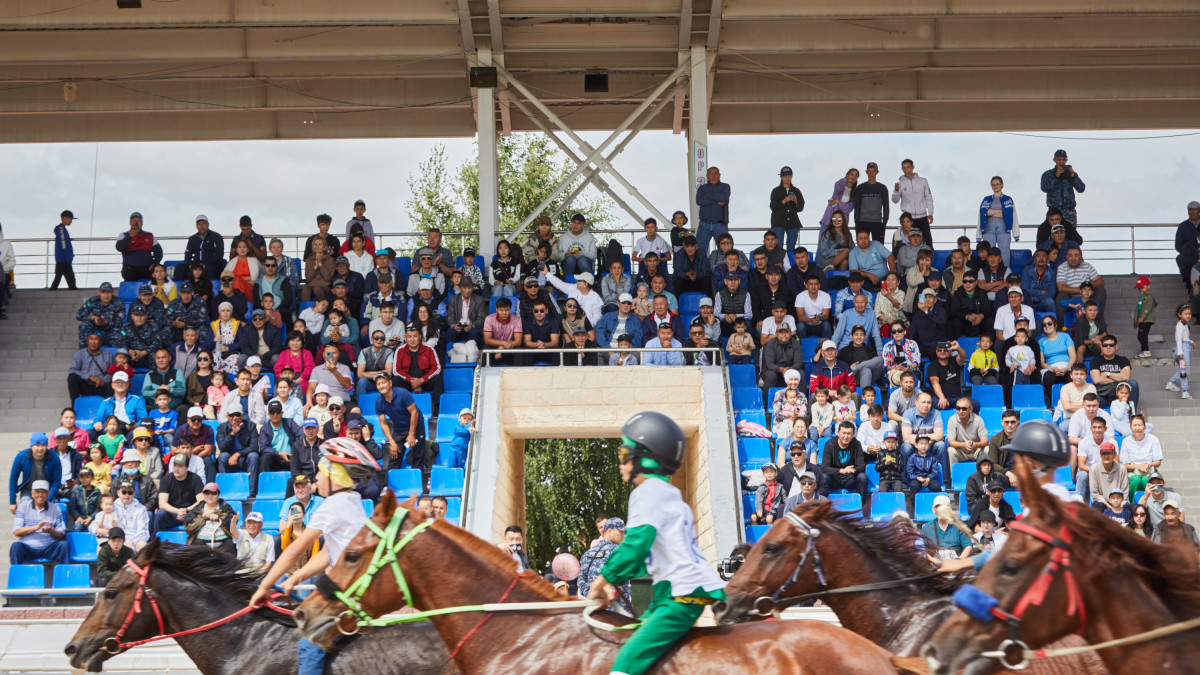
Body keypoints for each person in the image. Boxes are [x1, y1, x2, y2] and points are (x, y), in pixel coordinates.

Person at [585, 412, 725, 675]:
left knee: (624, 666)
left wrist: (601, 582)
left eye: (625, 456)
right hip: (676, 594)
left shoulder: (646, 493)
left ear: (646, 458)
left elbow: (635, 548)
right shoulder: (671, 494)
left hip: (679, 597)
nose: (621, 464)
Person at [9, 480, 68, 565]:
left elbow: (61, 533)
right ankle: (17, 577)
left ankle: (64, 576)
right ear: (32, 493)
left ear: (48, 494)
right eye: (37, 492)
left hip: (49, 548)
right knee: (15, 546)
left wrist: (51, 531)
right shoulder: (23, 507)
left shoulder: (55, 508)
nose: (40, 495)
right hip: (28, 548)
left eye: (43, 492)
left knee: (64, 545)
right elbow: (17, 532)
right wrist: (36, 527)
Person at [820, 422, 870, 516]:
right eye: (844, 433)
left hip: (850, 478)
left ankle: (860, 509)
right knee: (824, 477)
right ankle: (823, 510)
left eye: (849, 433)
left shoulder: (856, 444)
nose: (846, 436)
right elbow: (824, 468)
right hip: (834, 478)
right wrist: (841, 470)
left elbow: (861, 466)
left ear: (853, 434)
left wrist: (853, 470)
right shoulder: (830, 444)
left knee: (863, 477)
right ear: (838, 433)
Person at [184, 481, 238, 552]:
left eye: (213, 493)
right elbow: (188, 528)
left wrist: (219, 516)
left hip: (223, 542)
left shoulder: (226, 507)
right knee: (195, 546)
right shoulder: (197, 509)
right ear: (203, 494)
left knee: (230, 545)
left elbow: (232, 523)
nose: (210, 496)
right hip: (201, 542)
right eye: (207, 493)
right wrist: (204, 517)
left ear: (218, 495)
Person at [976, 176, 1018, 267]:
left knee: (1004, 253)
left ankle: (1005, 276)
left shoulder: (1008, 199)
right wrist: (1000, 212)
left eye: (997, 184)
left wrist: (991, 212)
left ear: (1002, 185)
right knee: (989, 254)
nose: (995, 186)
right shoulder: (986, 199)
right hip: (988, 228)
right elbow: (983, 213)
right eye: (993, 184)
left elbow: (1010, 215)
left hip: (1004, 228)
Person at [1122, 417, 1163, 501]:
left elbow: (1158, 462)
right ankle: (1134, 506)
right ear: (1131, 427)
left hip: (1149, 470)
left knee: (1146, 480)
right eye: (1134, 425)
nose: (1137, 428)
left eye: (1140, 425)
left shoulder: (1153, 439)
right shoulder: (1126, 441)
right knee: (1135, 480)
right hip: (1133, 471)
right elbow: (1125, 465)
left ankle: (1151, 504)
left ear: (1144, 427)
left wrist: (1149, 464)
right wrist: (1138, 466)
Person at [1040, 149, 1086, 225]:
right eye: (1059, 160)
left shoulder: (1071, 174)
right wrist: (1056, 177)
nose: (1061, 162)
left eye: (1063, 160)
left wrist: (1073, 176)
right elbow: (1044, 188)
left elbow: (1081, 189)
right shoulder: (1048, 174)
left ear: (1066, 160)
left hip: (1069, 212)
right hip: (1054, 211)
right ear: (1054, 160)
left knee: (1070, 236)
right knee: (1053, 235)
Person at [922, 494, 974, 560]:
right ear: (933, 509)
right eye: (937, 507)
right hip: (935, 565)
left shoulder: (959, 526)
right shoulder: (927, 527)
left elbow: (968, 547)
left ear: (950, 508)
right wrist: (934, 561)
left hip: (956, 563)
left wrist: (958, 561)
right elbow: (924, 551)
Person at [115, 212, 163, 281]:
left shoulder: (149, 235)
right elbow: (119, 248)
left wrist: (155, 263)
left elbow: (158, 251)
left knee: (159, 273)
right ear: (130, 222)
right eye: (134, 221)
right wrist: (130, 236)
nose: (137, 223)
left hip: (147, 268)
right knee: (128, 273)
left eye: (139, 221)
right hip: (130, 268)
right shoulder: (123, 235)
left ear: (142, 223)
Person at [853, 162, 890, 243]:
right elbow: (857, 206)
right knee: (862, 246)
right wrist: (857, 222)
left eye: (873, 171)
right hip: (862, 222)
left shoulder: (882, 188)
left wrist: (884, 223)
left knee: (878, 247)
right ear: (866, 172)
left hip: (877, 223)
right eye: (869, 171)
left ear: (877, 172)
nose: (871, 173)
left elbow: (886, 206)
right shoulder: (860, 188)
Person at [112, 478, 151, 550]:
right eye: (124, 492)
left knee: (142, 544)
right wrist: (97, 530)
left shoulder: (141, 509)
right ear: (118, 493)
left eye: (130, 492)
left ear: (134, 493)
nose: (127, 495)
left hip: (134, 540)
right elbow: (94, 525)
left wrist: (133, 541)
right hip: (115, 540)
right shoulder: (111, 507)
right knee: (101, 546)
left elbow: (144, 532)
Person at [1165, 303, 1193, 399]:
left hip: (1185, 348)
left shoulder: (1184, 325)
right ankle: (1185, 391)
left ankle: (1171, 383)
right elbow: (1179, 339)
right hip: (1182, 351)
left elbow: (1186, 338)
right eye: (1186, 313)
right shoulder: (1179, 326)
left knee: (1183, 369)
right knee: (1185, 371)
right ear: (1179, 315)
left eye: (1189, 313)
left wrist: (1191, 342)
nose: (1188, 315)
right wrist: (1180, 352)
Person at [1088, 442, 1127, 511]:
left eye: (1109, 453)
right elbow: (1095, 494)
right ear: (1100, 455)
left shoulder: (1122, 468)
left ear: (1115, 455)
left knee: (1131, 508)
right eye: (1103, 453)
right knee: (1099, 506)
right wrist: (1107, 505)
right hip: (1102, 502)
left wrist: (1118, 504)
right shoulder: (1094, 469)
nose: (1106, 456)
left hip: (1119, 501)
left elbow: (1125, 492)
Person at [52, 209, 78, 290]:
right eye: (70, 219)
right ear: (64, 218)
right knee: (61, 278)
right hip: (63, 259)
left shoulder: (61, 229)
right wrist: (69, 258)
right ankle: (52, 290)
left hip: (63, 259)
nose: (71, 221)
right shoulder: (61, 230)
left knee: (64, 278)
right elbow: (64, 245)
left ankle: (53, 290)